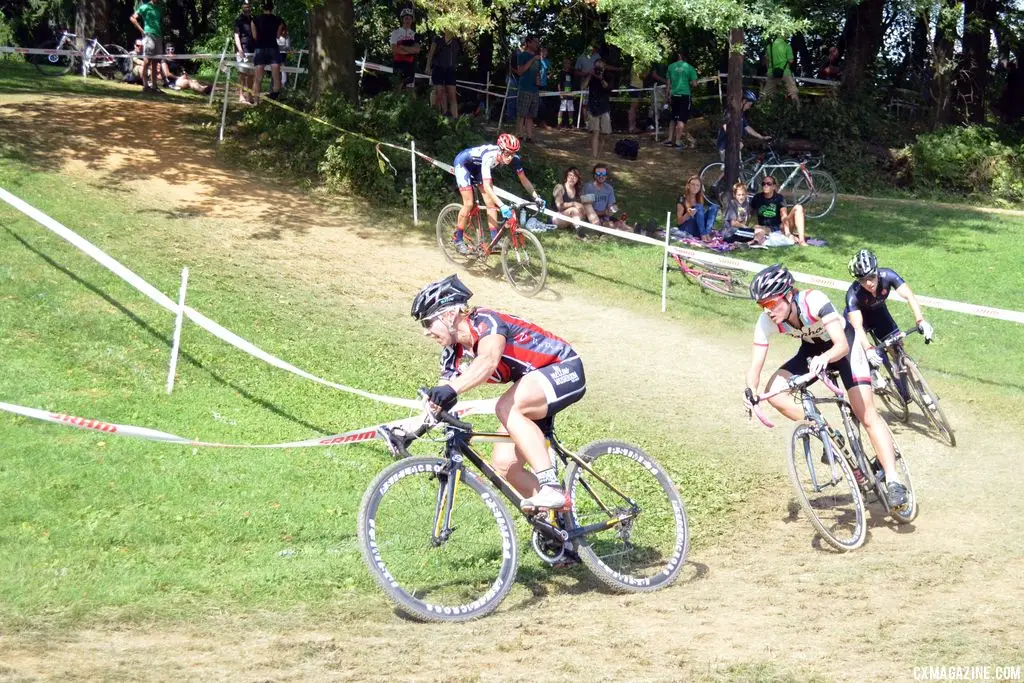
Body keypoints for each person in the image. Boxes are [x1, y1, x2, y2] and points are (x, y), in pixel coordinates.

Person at [413, 275, 587, 511]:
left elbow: (488, 361)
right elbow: (439, 399)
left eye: (427, 323)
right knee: (505, 465)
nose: (426, 332)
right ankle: (562, 528)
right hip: (532, 384)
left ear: (448, 315)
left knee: (506, 407)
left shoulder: (486, 322)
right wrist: (408, 434)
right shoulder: (451, 352)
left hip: (563, 368)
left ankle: (552, 488)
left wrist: (451, 389)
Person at [743, 264, 909, 508]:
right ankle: (827, 431)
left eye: (771, 303)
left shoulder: (814, 300)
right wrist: (750, 391)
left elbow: (841, 345)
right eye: (762, 305)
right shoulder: (767, 321)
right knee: (775, 394)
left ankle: (894, 481)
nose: (767, 311)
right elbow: (755, 366)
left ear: (789, 295)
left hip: (845, 349)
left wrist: (826, 358)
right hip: (812, 351)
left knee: (866, 414)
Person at [844, 249, 935, 397]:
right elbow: (858, 326)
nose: (868, 282)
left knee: (898, 349)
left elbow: (910, 296)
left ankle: (920, 390)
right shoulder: (853, 295)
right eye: (862, 280)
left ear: (877, 271)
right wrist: (867, 348)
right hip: (859, 318)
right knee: (860, 349)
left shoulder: (888, 275)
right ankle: (872, 373)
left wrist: (921, 320)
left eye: (872, 276)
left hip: (878, 313)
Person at [450, 134, 546, 254]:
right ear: (500, 150)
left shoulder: (514, 159)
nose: (510, 157)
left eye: (513, 153)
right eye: (507, 153)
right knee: (469, 203)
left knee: (490, 203)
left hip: (479, 168)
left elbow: (524, 179)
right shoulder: (489, 156)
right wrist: (502, 205)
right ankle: (458, 239)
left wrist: (536, 197)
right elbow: (487, 187)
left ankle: (494, 241)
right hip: (464, 164)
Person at [716, 89, 771, 162]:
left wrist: (761, 137)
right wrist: (735, 139)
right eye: (749, 105)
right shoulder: (731, 111)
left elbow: (747, 127)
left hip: (735, 145)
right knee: (730, 170)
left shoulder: (741, 113)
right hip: (725, 145)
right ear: (744, 101)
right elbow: (726, 126)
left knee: (737, 169)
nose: (749, 107)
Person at [751, 175, 807, 245]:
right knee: (759, 228)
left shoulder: (779, 198)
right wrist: (745, 226)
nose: (765, 185)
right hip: (766, 229)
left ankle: (802, 241)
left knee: (798, 207)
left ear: (774, 186)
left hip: (781, 227)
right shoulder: (757, 198)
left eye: (769, 184)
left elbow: (784, 216)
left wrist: (787, 233)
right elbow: (750, 213)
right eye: (763, 184)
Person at [250, 0, 285, 104]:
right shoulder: (278, 20)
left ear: (263, 8)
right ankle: (274, 100)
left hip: (260, 49)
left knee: (258, 79)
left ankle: (256, 102)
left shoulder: (255, 20)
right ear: (272, 8)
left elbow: (255, 36)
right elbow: (278, 36)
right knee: (276, 77)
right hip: (273, 49)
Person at [663, 49, 698, 149]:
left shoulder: (670, 67)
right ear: (685, 57)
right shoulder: (689, 67)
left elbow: (668, 84)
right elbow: (695, 84)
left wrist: (667, 96)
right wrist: (694, 82)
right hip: (684, 95)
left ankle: (669, 139)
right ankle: (677, 142)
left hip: (674, 95)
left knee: (673, 118)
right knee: (681, 119)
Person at [129, 0, 163, 95]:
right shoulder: (145, 7)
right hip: (149, 35)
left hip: (158, 36)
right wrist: (142, 31)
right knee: (147, 61)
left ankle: (154, 87)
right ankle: (145, 87)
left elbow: (158, 22)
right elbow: (133, 18)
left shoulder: (159, 8)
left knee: (156, 62)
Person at [425, 30, 461, 116]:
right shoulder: (437, 39)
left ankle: (455, 120)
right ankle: (436, 116)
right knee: (438, 93)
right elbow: (431, 53)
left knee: (452, 96)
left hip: (450, 69)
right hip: (438, 68)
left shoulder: (456, 40)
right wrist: (428, 66)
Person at [582, 164, 626, 231]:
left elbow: (610, 207)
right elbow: (587, 209)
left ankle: (643, 232)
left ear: (606, 175)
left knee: (622, 225)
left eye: (603, 173)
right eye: (599, 173)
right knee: (611, 224)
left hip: (605, 217)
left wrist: (612, 210)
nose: (601, 176)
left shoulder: (609, 188)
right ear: (595, 175)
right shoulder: (588, 187)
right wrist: (604, 213)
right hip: (592, 217)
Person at [514, 36, 542, 141]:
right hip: (524, 88)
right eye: (535, 42)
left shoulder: (537, 57)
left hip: (534, 89)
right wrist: (532, 59)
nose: (537, 44)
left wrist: (538, 79)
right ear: (528, 43)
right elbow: (520, 71)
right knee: (522, 114)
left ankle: (529, 137)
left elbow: (537, 72)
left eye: (538, 42)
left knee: (531, 115)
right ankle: (520, 136)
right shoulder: (522, 56)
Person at [675, 175, 719, 240]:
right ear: (688, 186)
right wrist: (688, 214)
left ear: (700, 188)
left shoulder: (701, 198)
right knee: (699, 206)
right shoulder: (682, 199)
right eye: (693, 184)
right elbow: (679, 222)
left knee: (714, 207)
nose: (695, 187)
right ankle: (703, 235)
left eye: (697, 185)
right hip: (688, 227)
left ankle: (707, 233)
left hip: (699, 228)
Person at [586, 59, 613, 159]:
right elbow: (583, 86)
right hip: (593, 108)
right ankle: (594, 156)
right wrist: (589, 75)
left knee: (605, 134)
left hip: (604, 108)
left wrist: (601, 78)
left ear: (604, 68)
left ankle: (599, 154)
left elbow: (608, 88)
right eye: (596, 67)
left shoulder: (608, 76)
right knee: (595, 132)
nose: (598, 70)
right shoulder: (591, 77)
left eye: (600, 68)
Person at [390, 8, 420, 92]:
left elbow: (417, 50)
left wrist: (402, 47)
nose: (408, 20)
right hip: (398, 63)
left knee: (410, 89)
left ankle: (411, 105)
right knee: (397, 87)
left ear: (412, 20)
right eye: (406, 18)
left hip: (410, 64)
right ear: (402, 19)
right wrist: (410, 51)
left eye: (410, 18)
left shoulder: (414, 34)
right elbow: (394, 49)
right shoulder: (395, 33)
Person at [765, 35, 799, 103]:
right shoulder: (787, 46)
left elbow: (767, 60)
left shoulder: (769, 46)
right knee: (793, 92)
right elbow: (791, 60)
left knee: (767, 94)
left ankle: (764, 109)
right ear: (784, 36)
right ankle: (797, 110)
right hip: (785, 72)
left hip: (772, 72)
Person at [233, 0, 256, 104]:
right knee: (242, 74)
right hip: (242, 51)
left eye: (249, 6)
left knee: (251, 74)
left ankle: (250, 95)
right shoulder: (238, 20)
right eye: (245, 6)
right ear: (242, 7)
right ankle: (241, 96)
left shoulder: (253, 19)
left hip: (253, 51)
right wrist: (240, 50)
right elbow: (236, 35)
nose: (247, 8)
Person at [574, 43, 602, 122]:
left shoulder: (598, 56)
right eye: (592, 49)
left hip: (596, 84)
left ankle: (595, 123)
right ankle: (587, 124)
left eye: (595, 49)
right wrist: (585, 74)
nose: (594, 50)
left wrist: (597, 74)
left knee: (596, 103)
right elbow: (576, 72)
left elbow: (602, 67)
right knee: (585, 104)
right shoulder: (581, 58)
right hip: (585, 84)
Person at [557, 57, 576, 129]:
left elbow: (572, 83)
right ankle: (559, 124)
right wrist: (560, 93)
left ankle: (571, 124)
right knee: (561, 109)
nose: (567, 64)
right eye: (566, 63)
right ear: (563, 64)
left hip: (570, 94)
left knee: (571, 109)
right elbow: (559, 84)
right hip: (563, 94)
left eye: (569, 63)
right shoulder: (561, 73)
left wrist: (573, 93)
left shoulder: (571, 73)